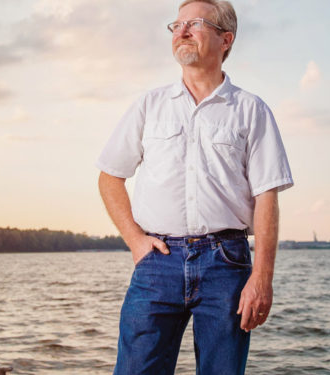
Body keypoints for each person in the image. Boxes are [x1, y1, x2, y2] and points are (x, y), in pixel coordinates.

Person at [96, 0, 293, 373]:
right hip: (158, 262)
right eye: (177, 24)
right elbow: (109, 176)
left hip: (227, 264)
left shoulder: (251, 110)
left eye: (195, 23)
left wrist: (262, 278)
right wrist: (137, 241)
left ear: (225, 39)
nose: (181, 31)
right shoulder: (150, 105)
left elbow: (266, 196)